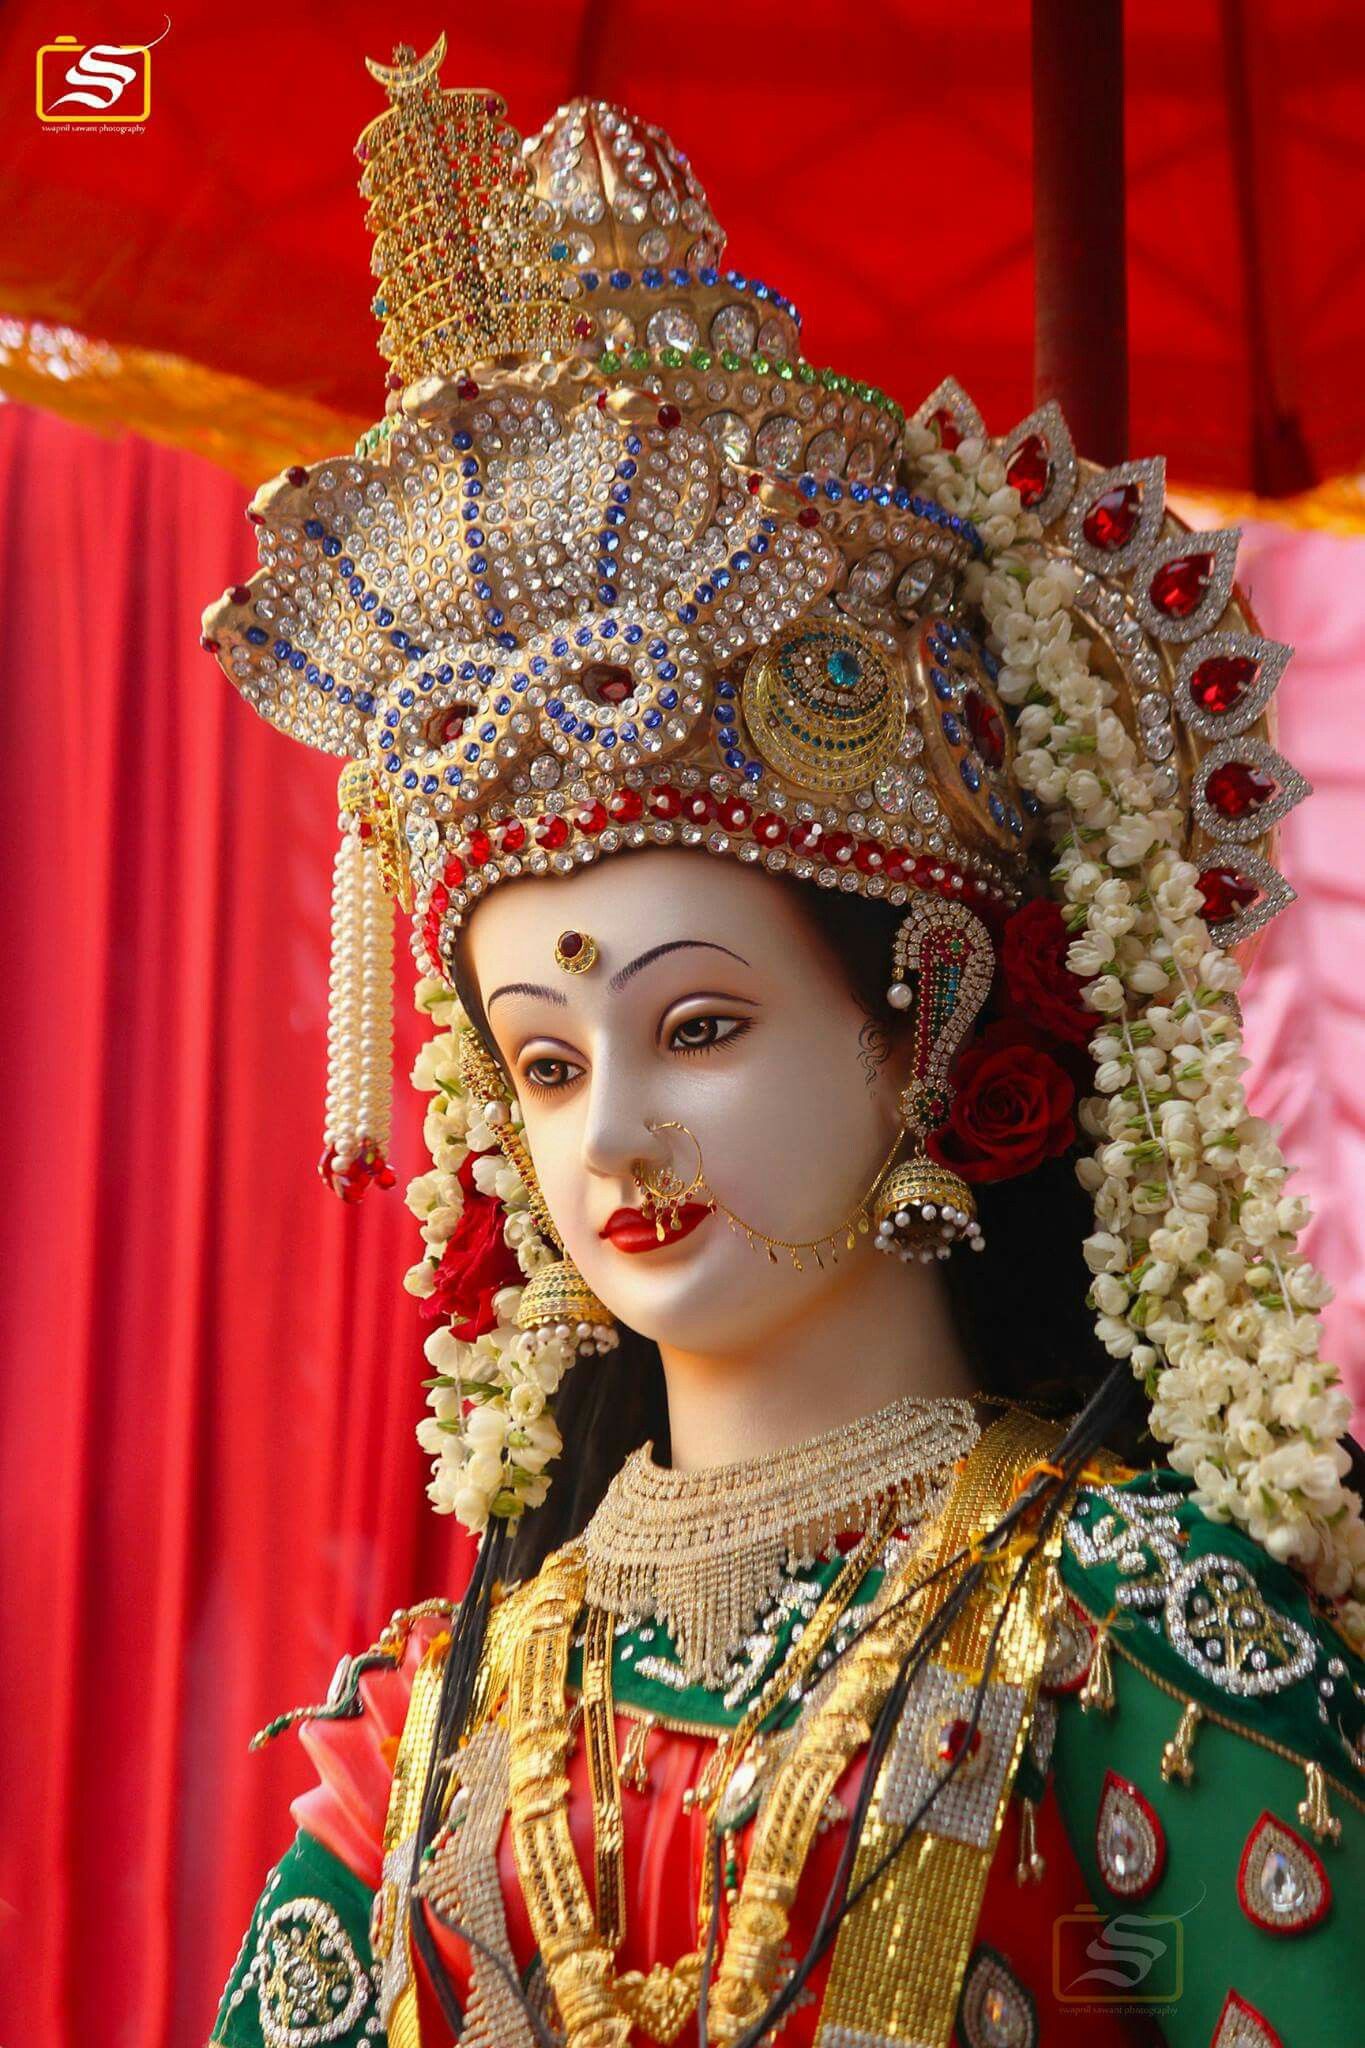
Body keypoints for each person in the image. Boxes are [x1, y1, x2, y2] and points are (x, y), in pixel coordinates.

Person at [200, 36, 1365, 2048]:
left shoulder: (1134, 1654)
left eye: (701, 1024)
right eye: (545, 1062)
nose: (617, 1135)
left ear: (925, 1012)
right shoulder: (434, 1724)